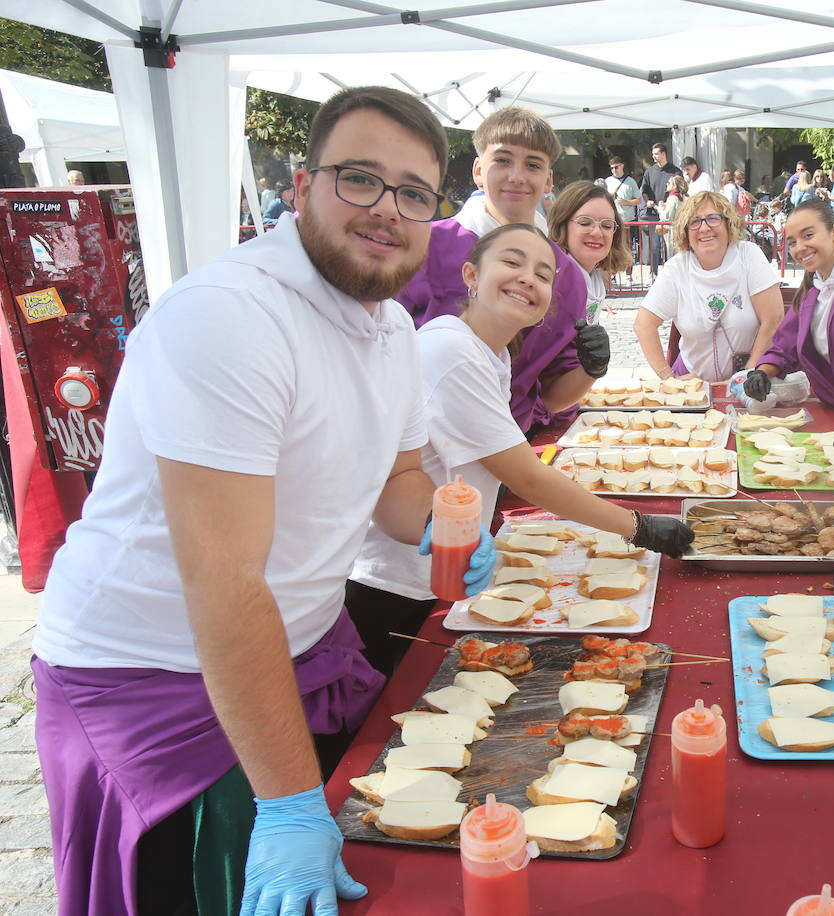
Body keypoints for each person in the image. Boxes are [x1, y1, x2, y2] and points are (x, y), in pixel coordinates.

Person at [30, 86, 498, 916]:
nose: (387, 210)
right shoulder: (230, 317)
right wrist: (287, 804)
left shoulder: (388, 328)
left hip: (297, 649)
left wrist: (440, 522)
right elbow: (225, 582)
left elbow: (395, 481)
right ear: (303, 180)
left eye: (414, 193)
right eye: (361, 178)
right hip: (159, 679)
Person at [347, 224, 690, 676]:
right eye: (511, 262)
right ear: (471, 274)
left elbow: (527, 423)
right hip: (395, 581)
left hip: (443, 564)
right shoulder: (450, 350)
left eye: (543, 274)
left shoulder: (492, 351)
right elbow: (524, 474)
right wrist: (636, 527)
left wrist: (588, 370)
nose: (528, 277)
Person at [397, 107, 607, 433]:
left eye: (533, 165)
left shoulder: (565, 274)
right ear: (479, 170)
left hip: (510, 447)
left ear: (548, 179)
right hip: (418, 438)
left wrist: (591, 368)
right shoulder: (425, 246)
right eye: (503, 160)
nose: (517, 176)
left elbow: (550, 394)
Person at [745, 198, 834, 412]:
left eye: (808, 235)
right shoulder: (812, 289)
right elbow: (784, 346)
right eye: (791, 242)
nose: (799, 248)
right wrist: (761, 372)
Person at [635, 190, 784, 382]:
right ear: (685, 232)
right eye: (695, 222)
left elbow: (773, 319)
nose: (704, 228)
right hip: (691, 381)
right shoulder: (677, 268)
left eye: (713, 218)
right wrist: (669, 379)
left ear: (729, 224)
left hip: (748, 382)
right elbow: (643, 324)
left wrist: (746, 376)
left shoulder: (749, 255)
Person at [549, 180, 634, 324]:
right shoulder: (552, 282)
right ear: (562, 224)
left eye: (607, 226)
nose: (597, 232)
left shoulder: (594, 280)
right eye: (585, 223)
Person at [639, 143, 681, 276]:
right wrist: (648, 201)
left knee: (671, 245)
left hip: (670, 215)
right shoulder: (649, 171)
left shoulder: (675, 171)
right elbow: (644, 190)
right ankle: (654, 273)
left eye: (656, 154)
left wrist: (667, 202)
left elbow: (680, 189)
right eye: (653, 154)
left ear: (664, 154)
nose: (654, 157)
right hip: (653, 213)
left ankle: (671, 273)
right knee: (654, 245)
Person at [660, 174, 690, 254]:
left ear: (674, 186)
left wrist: (660, 209)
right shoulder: (684, 197)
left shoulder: (673, 198)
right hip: (681, 229)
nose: (667, 184)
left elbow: (666, 217)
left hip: (672, 231)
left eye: (669, 183)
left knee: (672, 254)